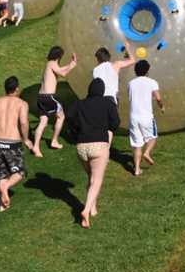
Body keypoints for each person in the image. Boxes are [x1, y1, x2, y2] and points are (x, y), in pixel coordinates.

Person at [66, 78, 120, 228]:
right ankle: (86, 209)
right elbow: (115, 123)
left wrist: (77, 130)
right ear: (102, 91)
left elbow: (69, 118)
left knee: (90, 177)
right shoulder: (108, 103)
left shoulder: (79, 104)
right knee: (96, 181)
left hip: (82, 147)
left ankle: (93, 209)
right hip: (99, 146)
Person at [0, 75, 32, 211]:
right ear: (17, 89)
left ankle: (1, 205)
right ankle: (6, 187)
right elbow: (23, 122)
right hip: (13, 142)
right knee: (20, 172)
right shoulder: (22, 104)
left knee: (2, 174)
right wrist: (26, 139)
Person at [32, 46, 78, 157]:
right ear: (59, 56)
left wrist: (71, 63)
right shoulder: (52, 63)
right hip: (49, 97)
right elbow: (63, 74)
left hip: (41, 97)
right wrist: (72, 65)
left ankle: (36, 147)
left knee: (43, 122)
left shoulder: (49, 64)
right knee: (61, 116)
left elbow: (60, 70)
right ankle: (54, 141)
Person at [127, 60, 165, 176]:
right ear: (147, 71)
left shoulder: (131, 83)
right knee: (153, 137)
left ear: (135, 71)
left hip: (134, 117)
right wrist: (162, 106)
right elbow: (158, 98)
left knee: (137, 144)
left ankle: (137, 169)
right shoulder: (152, 82)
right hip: (146, 117)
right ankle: (147, 153)